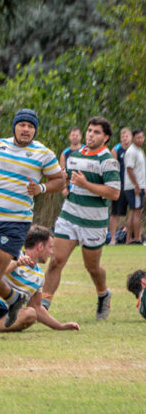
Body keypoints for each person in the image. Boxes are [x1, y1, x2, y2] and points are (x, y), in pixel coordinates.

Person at [0, 108, 65, 339]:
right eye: (22, 125)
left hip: (15, 222)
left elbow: (59, 180)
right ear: (15, 127)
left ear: (35, 130)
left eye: (30, 126)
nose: (26, 129)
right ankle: (14, 298)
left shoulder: (44, 154)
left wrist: (41, 188)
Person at [43, 117, 120, 320]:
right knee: (55, 261)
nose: (90, 135)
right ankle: (42, 306)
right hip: (70, 216)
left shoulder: (108, 161)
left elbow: (114, 193)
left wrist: (86, 184)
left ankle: (103, 293)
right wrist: (63, 180)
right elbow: (66, 182)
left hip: (94, 223)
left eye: (96, 132)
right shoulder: (74, 156)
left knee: (92, 268)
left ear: (106, 138)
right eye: (89, 130)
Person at [109, 128, 132, 245]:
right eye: (123, 135)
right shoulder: (116, 150)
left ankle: (129, 239)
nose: (125, 137)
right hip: (120, 186)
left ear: (131, 137)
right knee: (115, 213)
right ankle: (113, 238)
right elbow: (112, 169)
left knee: (133, 213)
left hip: (133, 186)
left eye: (127, 135)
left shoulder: (135, 150)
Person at [123, 129, 145, 244]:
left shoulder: (139, 151)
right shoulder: (132, 151)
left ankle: (128, 240)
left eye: (142, 137)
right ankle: (137, 238)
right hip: (133, 187)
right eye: (138, 137)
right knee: (136, 212)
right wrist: (137, 185)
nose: (141, 139)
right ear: (133, 138)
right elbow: (129, 168)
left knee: (133, 212)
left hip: (139, 186)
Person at [60, 127, 83, 197]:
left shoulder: (87, 149)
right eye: (73, 135)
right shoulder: (64, 153)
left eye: (77, 135)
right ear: (69, 137)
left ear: (81, 137)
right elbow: (62, 173)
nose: (75, 137)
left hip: (85, 187)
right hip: (70, 188)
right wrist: (63, 188)